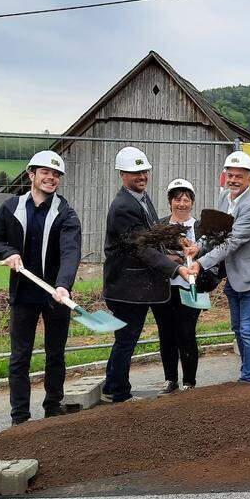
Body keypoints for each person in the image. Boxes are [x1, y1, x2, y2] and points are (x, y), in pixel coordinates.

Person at [0, 150, 81, 426]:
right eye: (45, 173)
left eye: (56, 174)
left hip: (56, 296)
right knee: (20, 357)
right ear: (32, 175)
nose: (51, 178)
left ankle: (52, 408)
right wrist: (9, 252)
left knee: (55, 354)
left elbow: (70, 253)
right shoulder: (11, 208)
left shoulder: (66, 213)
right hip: (23, 294)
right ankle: (20, 418)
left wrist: (63, 285)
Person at [101, 146, 194, 403]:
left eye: (144, 171)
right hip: (126, 287)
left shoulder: (141, 198)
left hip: (133, 286)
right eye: (135, 172)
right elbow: (142, 248)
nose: (141, 176)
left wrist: (177, 244)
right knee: (127, 340)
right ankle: (119, 394)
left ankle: (111, 387)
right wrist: (176, 268)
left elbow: (153, 234)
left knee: (124, 337)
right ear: (122, 174)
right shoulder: (123, 206)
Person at [194, 150, 250, 384]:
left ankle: (248, 379)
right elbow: (214, 232)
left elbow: (232, 242)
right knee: (238, 328)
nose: (234, 180)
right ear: (225, 176)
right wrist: (196, 248)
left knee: (248, 329)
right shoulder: (224, 198)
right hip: (234, 276)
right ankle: (247, 374)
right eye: (230, 175)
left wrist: (200, 263)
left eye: (239, 176)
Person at [152, 178, 204, 394]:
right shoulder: (160, 226)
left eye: (186, 199)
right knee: (166, 333)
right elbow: (153, 254)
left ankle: (189, 382)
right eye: (177, 199)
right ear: (170, 201)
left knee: (187, 332)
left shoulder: (200, 227)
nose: (181, 204)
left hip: (191, 287)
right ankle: (170, 379)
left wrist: (197, 251)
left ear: (192, 202)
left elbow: (209, 254)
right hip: (164, 289)